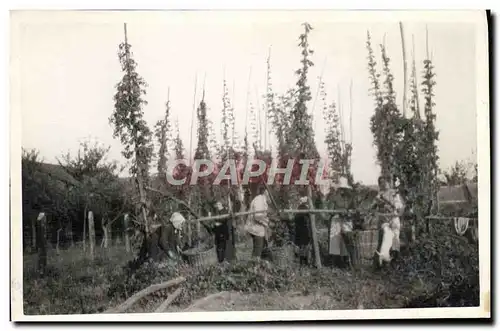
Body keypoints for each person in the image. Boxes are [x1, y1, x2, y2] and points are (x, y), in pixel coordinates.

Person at [373, 175, 404, 264]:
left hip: (394, 217)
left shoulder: (394, 193)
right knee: (386, 235)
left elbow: (399, 206)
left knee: (395, 237)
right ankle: (384, 258)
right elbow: (374, 206)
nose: (385, 183)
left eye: (386, 181)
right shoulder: (379, 194)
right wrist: (379, 203)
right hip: (384, 219)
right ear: (380, 184)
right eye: (382, 182)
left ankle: (395, 259)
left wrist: (393, 205)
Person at [328, 176, 353, 267]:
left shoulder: (350, 197)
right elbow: (330, 210)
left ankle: (346, 260)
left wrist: (349, 213)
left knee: (347, 237)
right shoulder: (334, 197)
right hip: (337, 218)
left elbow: (353, 208)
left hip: (347, 219)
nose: (342, 190)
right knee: (335, 238)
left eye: (344, 188)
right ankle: (334, 261)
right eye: (340, 188)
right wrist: (338, 212)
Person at [245, 185, 270, 259]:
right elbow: (257, 216)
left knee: (263, 248)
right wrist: (267, 222)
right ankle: (254, 266)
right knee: (257, 251)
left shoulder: (263, 200)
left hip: (258, 228)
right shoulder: (259, 200)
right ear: (265, 192)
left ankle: (262, 264)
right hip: (255, 228)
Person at [294, 195, 312, 265]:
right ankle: (304, 261)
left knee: (302, 245)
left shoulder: (300, 208)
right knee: (304, 245)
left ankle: (302, 261)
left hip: (300, 229)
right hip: (304, 229)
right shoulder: (305, 208)